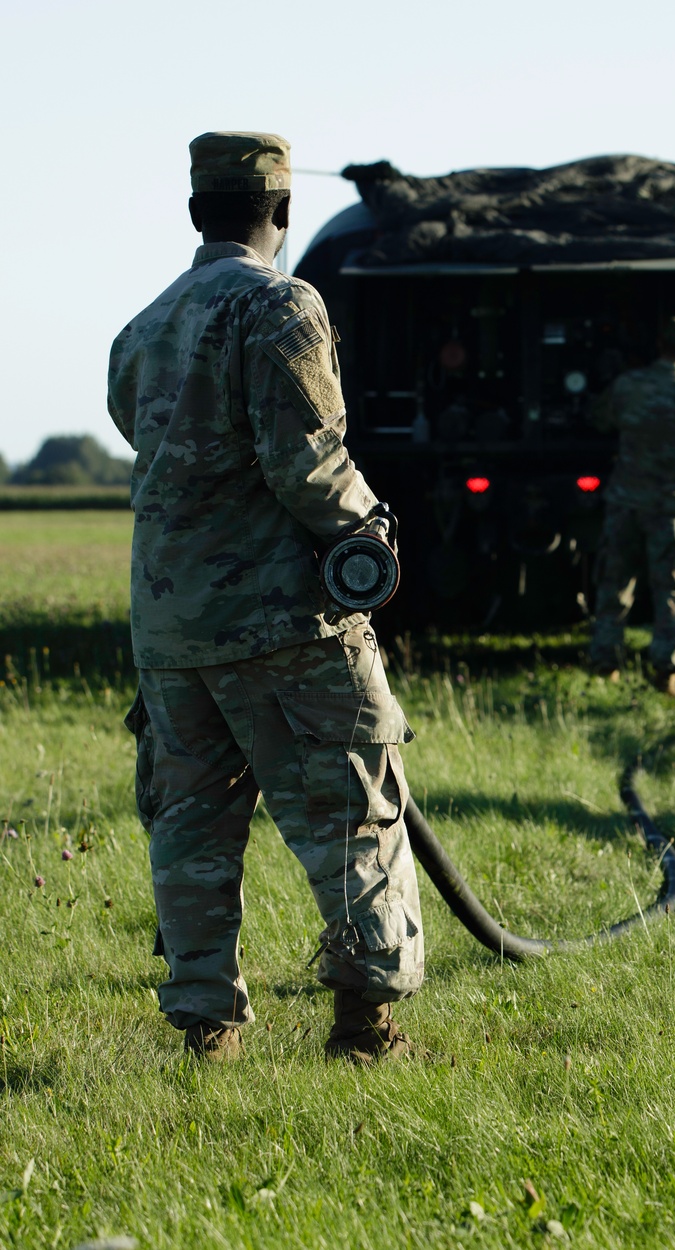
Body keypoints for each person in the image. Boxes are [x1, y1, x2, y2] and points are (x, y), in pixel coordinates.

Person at [108, 132, 423, 1063]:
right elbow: (309, 463)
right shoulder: (282, 304)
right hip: (283, 621)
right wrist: (372, 531)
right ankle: (367, 1030)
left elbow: (145, 433)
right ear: (282, 212)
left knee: (191, 831)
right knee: (356, 811)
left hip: (170, 629)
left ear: (197, 210)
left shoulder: (146, 324)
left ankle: (206, 1029)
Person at [588, 316, 675, 697]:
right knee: (673, 593)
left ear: (660, 344)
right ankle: (666, 674)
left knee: (614, 586)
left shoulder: (627, 386)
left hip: (624, 504)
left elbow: (599, 419)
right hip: (671, 509)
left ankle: (605, 665)